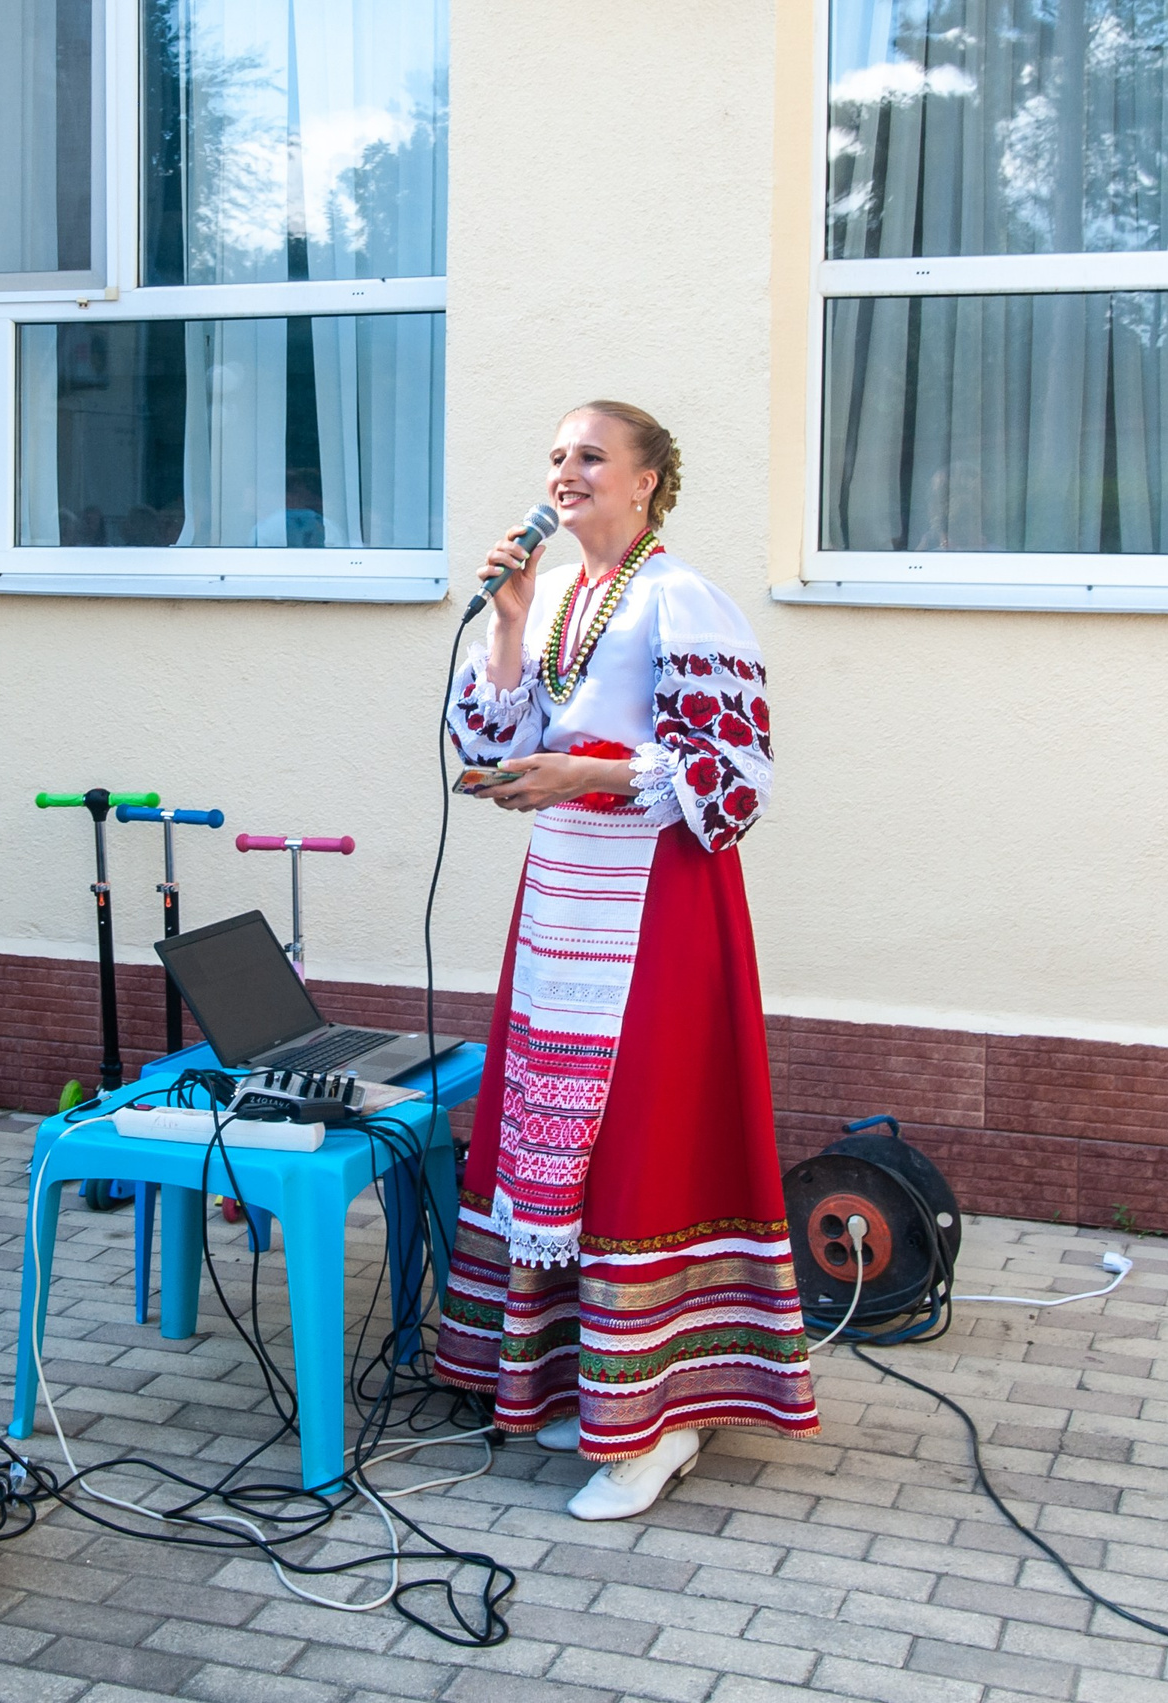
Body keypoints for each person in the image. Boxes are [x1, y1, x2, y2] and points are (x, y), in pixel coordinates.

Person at [435, 400, 819, 1522]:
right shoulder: (553, 595)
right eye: (554, 453)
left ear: (647, 480)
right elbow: (493, 743)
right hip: (563, 903)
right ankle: (593, 1385)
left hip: (658, 908)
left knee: (644, 1139)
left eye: (590, 455)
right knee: (560, 1136)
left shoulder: (680, 597)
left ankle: (661, 1418)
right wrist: (504, 620)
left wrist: (584, 775)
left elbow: (735, 776)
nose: (565, 471)